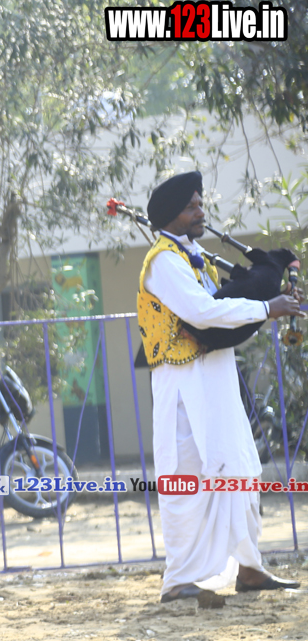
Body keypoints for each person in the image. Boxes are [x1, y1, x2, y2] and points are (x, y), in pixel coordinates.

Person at [136, 171, 303, 602]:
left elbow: (224, 303)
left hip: (217, 375)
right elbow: (203, 312)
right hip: (182, 383)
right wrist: (266, 307)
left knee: (240, 468)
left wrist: (267, 290)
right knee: (187, 478)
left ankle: (250, 569)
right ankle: (179, 580)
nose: (201, 212)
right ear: (172, 214)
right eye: (192, 206)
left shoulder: (193, 255)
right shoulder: (163, 262)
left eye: (200, 204)